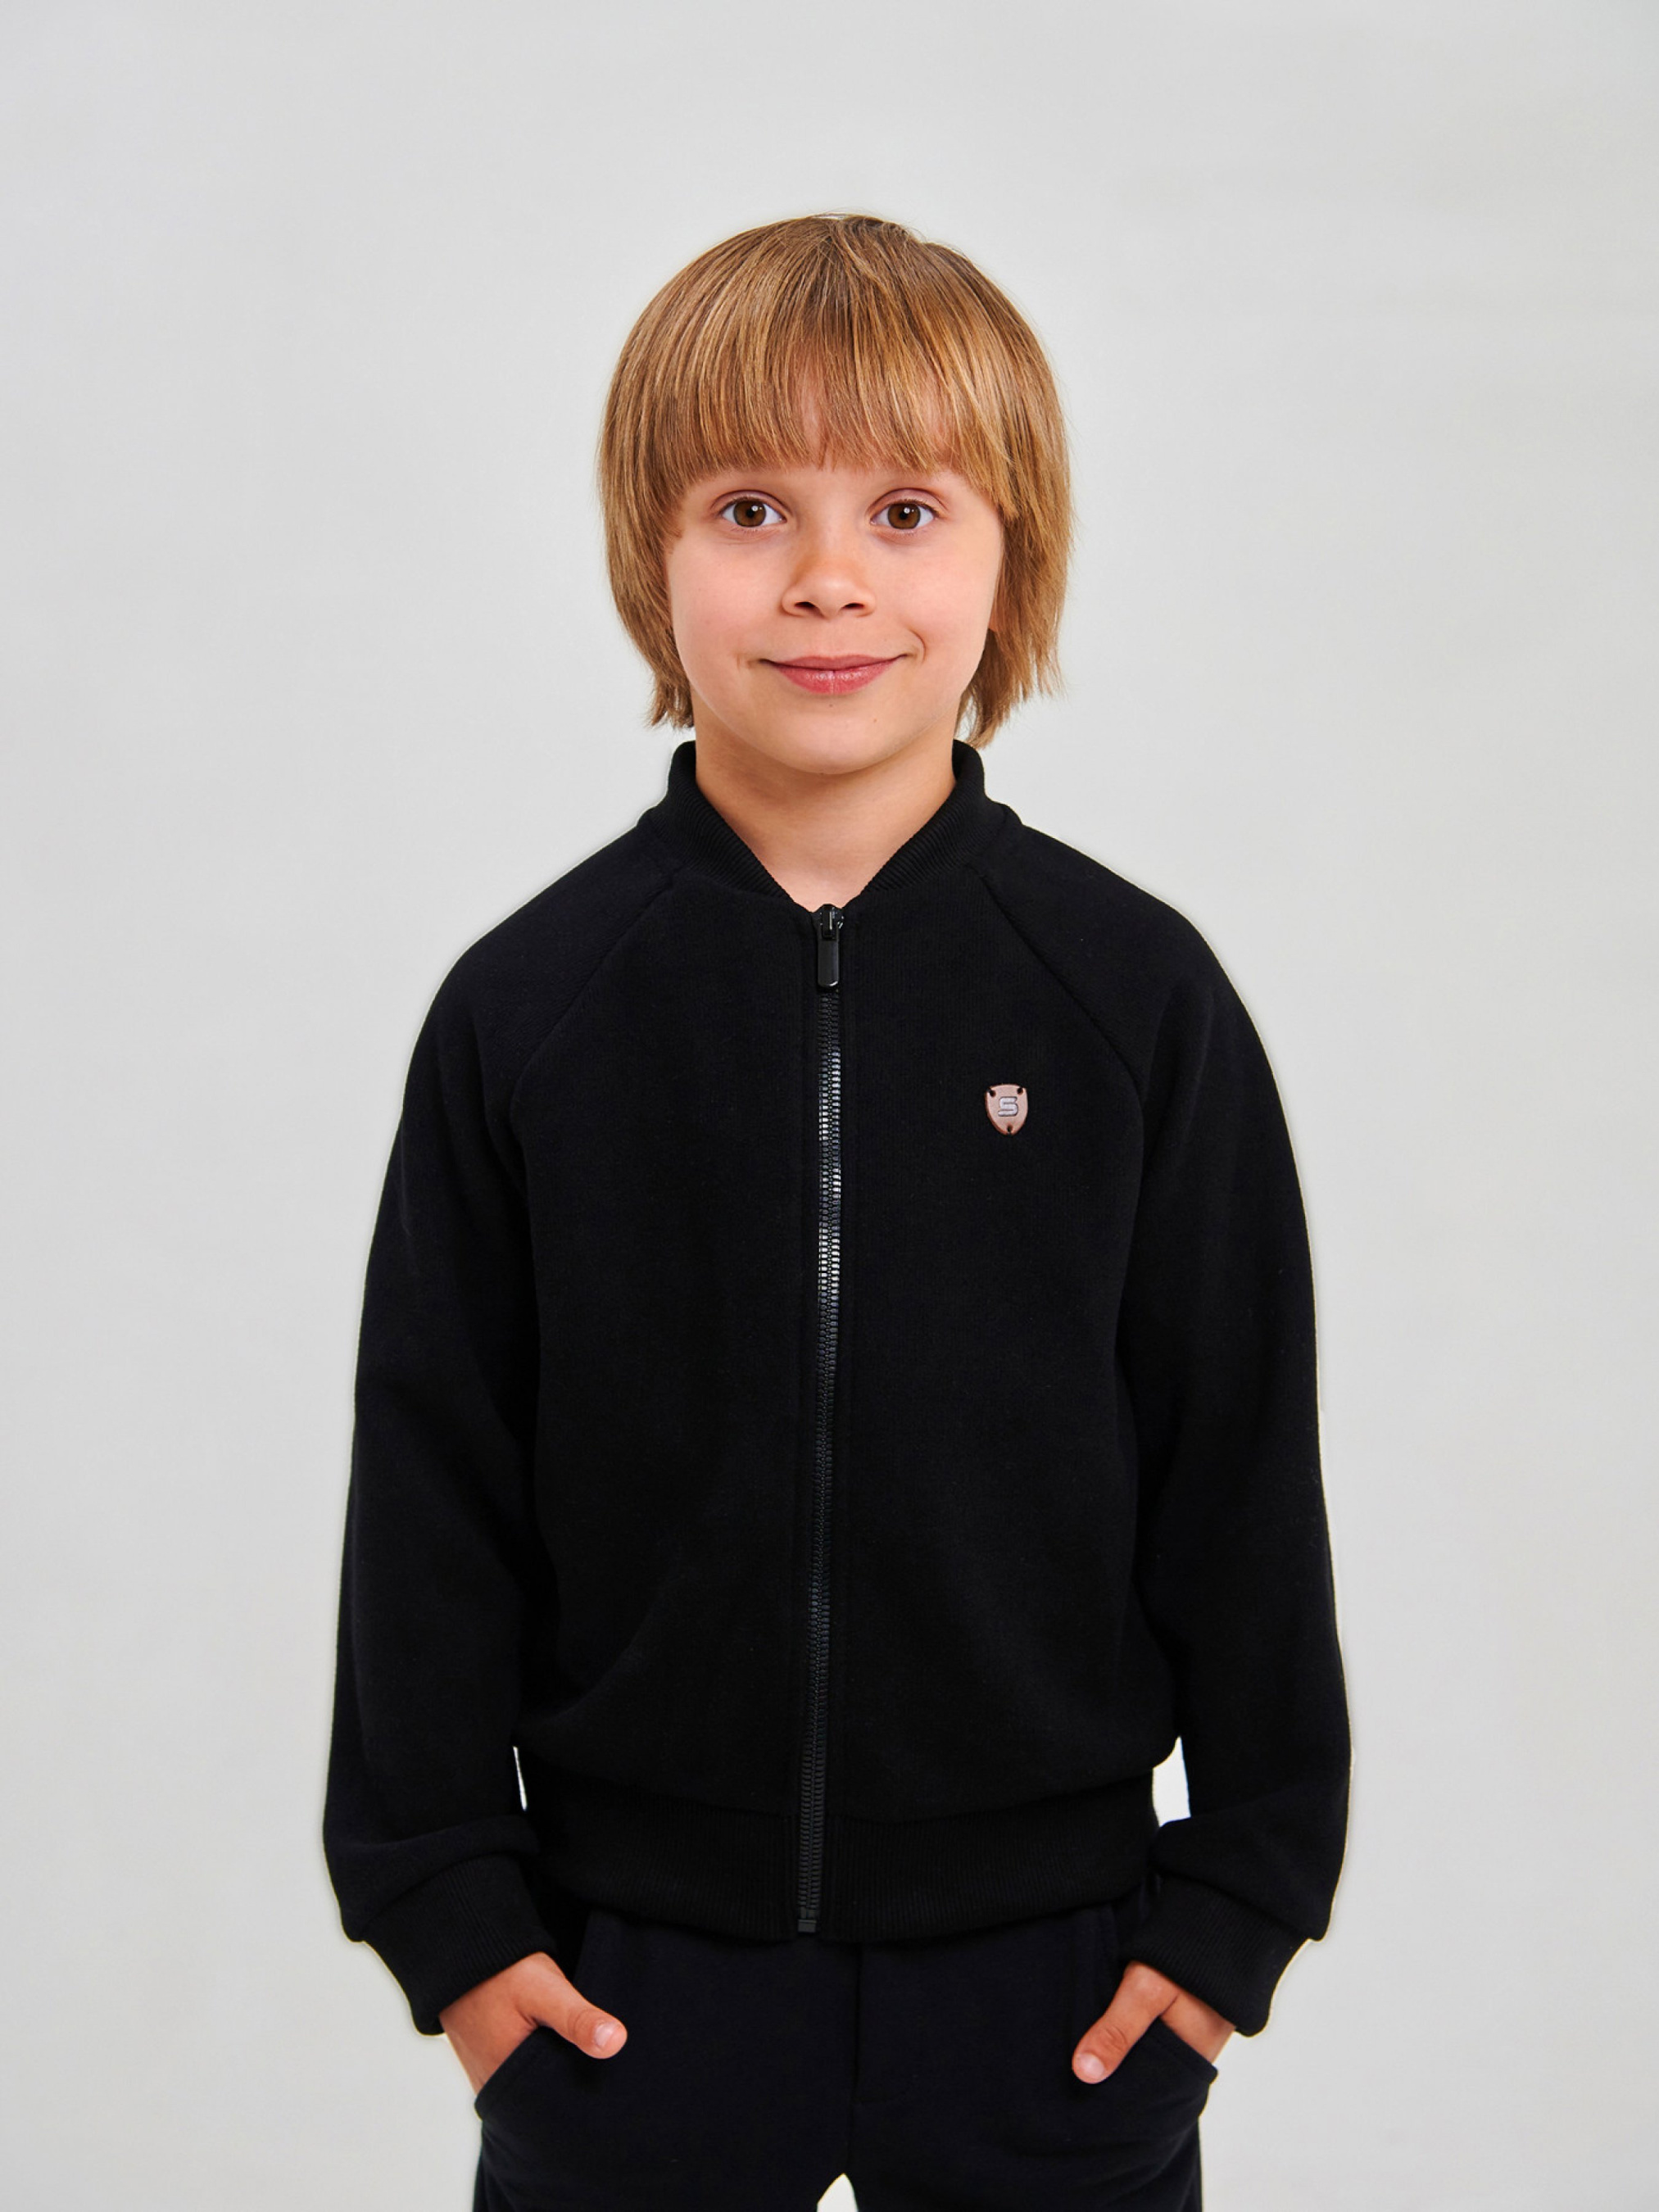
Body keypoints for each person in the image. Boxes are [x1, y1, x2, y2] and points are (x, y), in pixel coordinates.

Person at [323, 212, 1349, 2212]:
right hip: (627, 1990)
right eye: (746, 509)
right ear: (649, 555)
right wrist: (448, 1911)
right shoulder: (530, 1012)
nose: (824, 578)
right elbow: (432, 1471)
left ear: (1008, 557)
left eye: (901, 510)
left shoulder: (1130, 1000)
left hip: (1053, 1987)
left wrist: (1234, 1904)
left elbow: (1234, 1457)